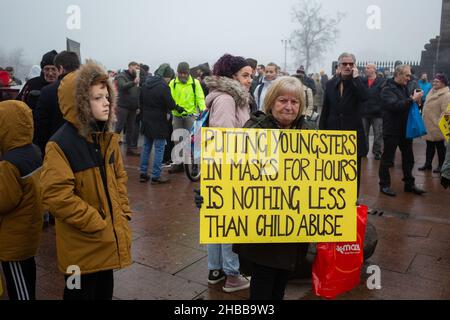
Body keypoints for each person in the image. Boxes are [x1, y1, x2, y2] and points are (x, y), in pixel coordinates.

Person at [40, 60, 132, 300]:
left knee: (103, 292)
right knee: (78, 294)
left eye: (106, 96)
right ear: (79, 103)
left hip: (105, 240)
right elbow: (56, 196)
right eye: (97, 98)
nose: (106, 102)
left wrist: (121, 209)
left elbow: (119, 177)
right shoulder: (60, 144)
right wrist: (97, 220)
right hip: (82, 245)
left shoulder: (105, 137)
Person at [234, 76, 310, 300]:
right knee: (263, 282)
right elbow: (233, 172)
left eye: (294, 102)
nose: (289, 107)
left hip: (294, 225)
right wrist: (210, 193)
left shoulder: (310, 132)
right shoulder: (253, 129)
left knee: (281, 284)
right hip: (263, 228)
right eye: (282, 100)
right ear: (271, 102)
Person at [201, 53, 253, 293]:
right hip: (229, 170)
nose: (250, 79)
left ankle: (216, 271)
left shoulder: (230, 98)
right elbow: (224, 140)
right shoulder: (227, 100)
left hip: (223, 169)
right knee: (230, 221)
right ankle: (232, 275)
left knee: (218, 220)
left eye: (251, 75)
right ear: (232, 76)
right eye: (246, 75)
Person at [0, 100, 43, 300]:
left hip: (13, 236)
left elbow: (5, 201)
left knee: (18, 286)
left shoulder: (9, 162)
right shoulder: (33, 150)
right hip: (29, 229)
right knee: (27, 274)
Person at [320, 53, 368, 196]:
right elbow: (325, 109)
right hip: (333, 133)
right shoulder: (330, 84)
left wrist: (356, 79)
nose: (348, 66)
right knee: (332, 171)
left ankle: (353, 199)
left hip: (352, 135)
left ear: (355, 66)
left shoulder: (359, 82)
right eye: (345, 64)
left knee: (353, 173)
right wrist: (321, 132)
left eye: (351, 64)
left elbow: (365, 97)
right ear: (339, 66)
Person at [378, 65, 426, 197]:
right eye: (407, 75)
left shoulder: (404, 87)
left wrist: (417, 101)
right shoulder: (386, 89)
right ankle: (384, 185)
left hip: (404, 129)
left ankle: (409, 184)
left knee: (409, 158)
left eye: (409, 75)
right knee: (387, 159)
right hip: (392, 129)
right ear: (398, 74)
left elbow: (407, 105)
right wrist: (411, 99)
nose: (409, 78)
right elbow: (395, 106)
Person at [139, 63, 180, 184]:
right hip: (159, 122)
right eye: (170, 78)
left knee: (146, 147)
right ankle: (156, 176)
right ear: (167, 76)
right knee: (159, 148)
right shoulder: (163, 87)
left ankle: (143, 173)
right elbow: (171, 104)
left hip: (146, 120)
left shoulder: (146, 84)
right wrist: (179, 108)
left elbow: (140, 101)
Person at [34, 51, 80, 154]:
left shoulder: (48, 91)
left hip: (56, 147)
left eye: (53, 69)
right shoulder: (91, 89)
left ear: (60, 68)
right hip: (84, 149)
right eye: (46, 69)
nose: (50, 73)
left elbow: (41, 125)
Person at [168, 62, 206, 173]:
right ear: (177, 72)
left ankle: (195, 165)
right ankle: (179, 164)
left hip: (191, 116)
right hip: (177, 116)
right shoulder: (173, 83)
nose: (183, 75)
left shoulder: (195, 83)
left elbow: (200, 98)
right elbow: (169, 98)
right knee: (177, 140)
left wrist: (203, 111)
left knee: (194, 141)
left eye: (185, 73)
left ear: (188, 72)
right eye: (181, 73)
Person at [419, 74, 450, 173]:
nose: (434, 83)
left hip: (437, 125)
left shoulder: (446, 94)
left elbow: (446, 111)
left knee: (440, 147)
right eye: (434, 81)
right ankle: (428, 164)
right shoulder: (432, 91)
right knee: (429, 146)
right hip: (429, 124)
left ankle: (441, 166)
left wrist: (439, 124)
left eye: (437, 82)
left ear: (443, 83)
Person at [114, 61, 141, 156]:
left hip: (133, 107)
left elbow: (138, 93)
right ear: (130, 67)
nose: (137, 70)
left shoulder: (137, 77)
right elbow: (122, 87)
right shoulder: (122, 76)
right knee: (119, 127)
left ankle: (129, 149)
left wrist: (138, 106)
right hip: (123, 106)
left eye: (138, 68)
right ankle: (112, 147)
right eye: (135, 68)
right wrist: (134, 82)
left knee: (131, 128)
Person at [361, 63, 385, 160]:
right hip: (364, 112)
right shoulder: (362, 81)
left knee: (378, 133)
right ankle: (363, 151)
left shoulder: (381, 81)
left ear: (374, 69)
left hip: (377, 113)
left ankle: (377, 152)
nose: (366, 69)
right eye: (365, 68)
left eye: (368, 68)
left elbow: (383, 96)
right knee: (363, 133)